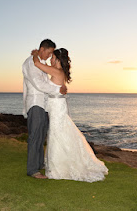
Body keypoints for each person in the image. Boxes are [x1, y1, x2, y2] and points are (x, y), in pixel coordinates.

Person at [31, 48, 108, 182]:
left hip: (56, 108)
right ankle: (58, 164)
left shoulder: (56, 71)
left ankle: (59, 167)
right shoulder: (59, 71)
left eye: (52, 57)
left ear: (58, 59)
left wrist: (35, 54)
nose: (50, 60)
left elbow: (37, 64)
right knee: (59, 133)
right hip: (56, 106)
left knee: (57, 134)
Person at [22, 39, 67, 179]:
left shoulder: (40, 64)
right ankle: (33, 170)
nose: (49, 57)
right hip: (36, 103)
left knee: (41, 136)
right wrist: (58, 89)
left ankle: (39, 163)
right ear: (42, 49)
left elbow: (45, 82)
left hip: (44, 104)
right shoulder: (30, 63)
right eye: (49, 53)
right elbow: (38, 85)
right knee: (35, 136)